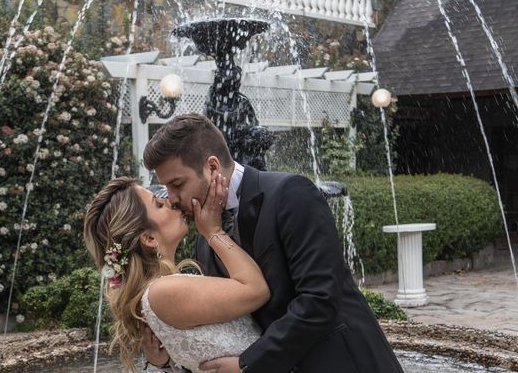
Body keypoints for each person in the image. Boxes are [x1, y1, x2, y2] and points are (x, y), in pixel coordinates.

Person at [142, 113, 404, 373]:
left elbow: (319, 298)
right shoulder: (206, 236)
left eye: (177, 184)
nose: (171, 198)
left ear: (212, 168)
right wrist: (168, 361)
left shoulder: (290, 193)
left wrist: (249, 364)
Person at [83, 174, 270, 372]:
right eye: (158, 204)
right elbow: (257, 290)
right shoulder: (162, 292)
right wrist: (214, 232)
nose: (169, 200)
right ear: (148, 238)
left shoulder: (160, 292)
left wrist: (165, 365)